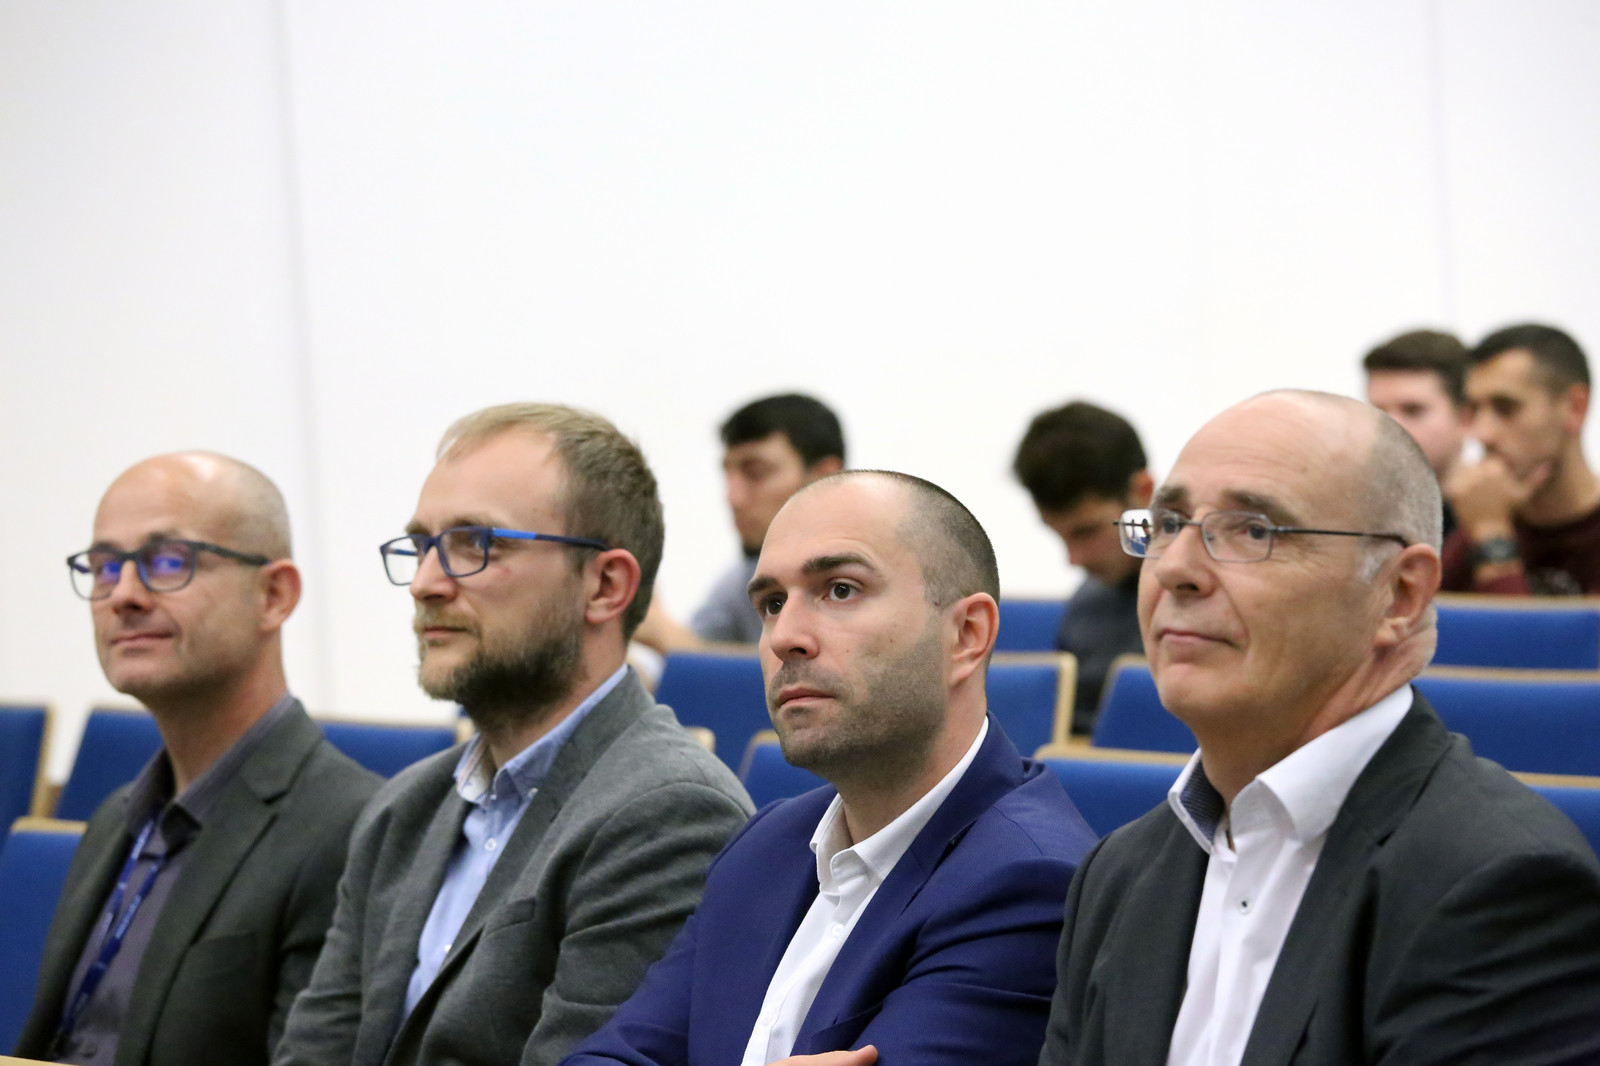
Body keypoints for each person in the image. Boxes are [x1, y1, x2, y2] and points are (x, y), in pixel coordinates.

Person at [1039, 391, 1600, 1066]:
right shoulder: (1117, 873)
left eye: (1253, 531)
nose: (1177, 569)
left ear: (1400, 595)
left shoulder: (1499, 884)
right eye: (1167, 525)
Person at [565, 470, 1098, 1066]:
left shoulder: (1028, 883)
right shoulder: (764, 844)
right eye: (772, 604)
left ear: (966, 635)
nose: (784, 637)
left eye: (840, 590)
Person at [276, 404, 752, 1066]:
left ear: (605, 585)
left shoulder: (668, 815)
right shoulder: (404, 810)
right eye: (422, 546)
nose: (425, 584)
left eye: (476, 544)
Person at [18, 453, 381, 1066]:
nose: (123, 595)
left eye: (167, 562)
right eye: (106, 567)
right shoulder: (115, 819)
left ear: (273, 595)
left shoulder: (352, 829)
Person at [634, 393, 845, 652]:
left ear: (824, 477)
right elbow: (695, 662)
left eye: (756, 473)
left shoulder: (872, 570)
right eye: (728, 475)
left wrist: (661, 633)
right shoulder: (740, 583)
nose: (733, 499)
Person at [1011, 401, 1151, 733]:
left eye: (1087, 531)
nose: (1074, 559)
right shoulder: (1086, 605)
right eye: (1057, 534)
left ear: (1142, 491)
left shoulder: (1212, 596)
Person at [1442, 322, 1600, 594]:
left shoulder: (1488, 524)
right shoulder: (1482, 519)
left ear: (1576, 408)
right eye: (1474, 410)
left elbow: (1520, 626)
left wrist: (1493, 539)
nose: (1482, 433)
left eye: (1506, 408)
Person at [1361, 328, 1470, 538]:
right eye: (1377, 412)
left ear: (1465, 418)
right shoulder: (1356, 516)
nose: (1391, 427)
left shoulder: (1504, 523)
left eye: (1413, 410)